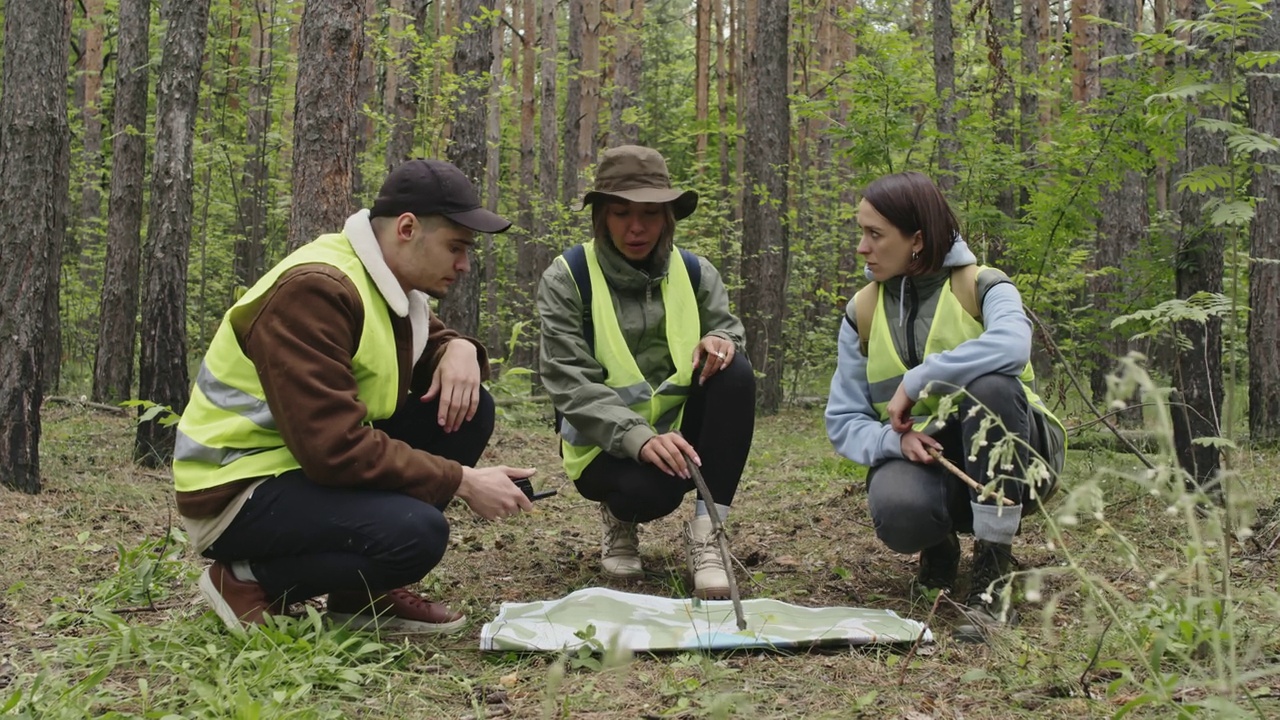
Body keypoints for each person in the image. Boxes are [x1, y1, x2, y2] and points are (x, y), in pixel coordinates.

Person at [173, 159, 537, 634]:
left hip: (298, 468)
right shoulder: (316, 290)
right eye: (456, 247)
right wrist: (462, 480)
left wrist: (460, 348)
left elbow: (421, 343)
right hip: (238, 489)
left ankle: (359, 596)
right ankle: (245, 578)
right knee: (418, 533)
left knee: (467, 410)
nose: (465, 264)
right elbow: (335, 449)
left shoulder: (389, 284)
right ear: (407, 228)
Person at [824, 171, 1065, 642]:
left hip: (1024, 459)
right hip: (935, 461)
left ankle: (992, 582)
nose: (862, 247)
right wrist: (896, 439)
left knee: (993, 385)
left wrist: (918, 379)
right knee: (897, 508)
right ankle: (939, 549)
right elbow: (843, 419)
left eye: (875, 234)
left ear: (917, 240)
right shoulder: (863, 311)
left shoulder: (985, 285)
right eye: (862, 232)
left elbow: (1013, 347)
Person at [536, 145, 756, 600]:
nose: (636, 228)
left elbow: (727, 330)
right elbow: (569, 380)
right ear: (601, 215)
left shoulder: (696, 273)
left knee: (737, 375)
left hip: (678, 437)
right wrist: (640, 437)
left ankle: (708, 532)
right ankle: (619, 521)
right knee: (648, 493)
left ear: (668, 217)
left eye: (650, 214)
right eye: (621, 213)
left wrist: (722, 344)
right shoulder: (567, 277)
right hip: (603, 447)